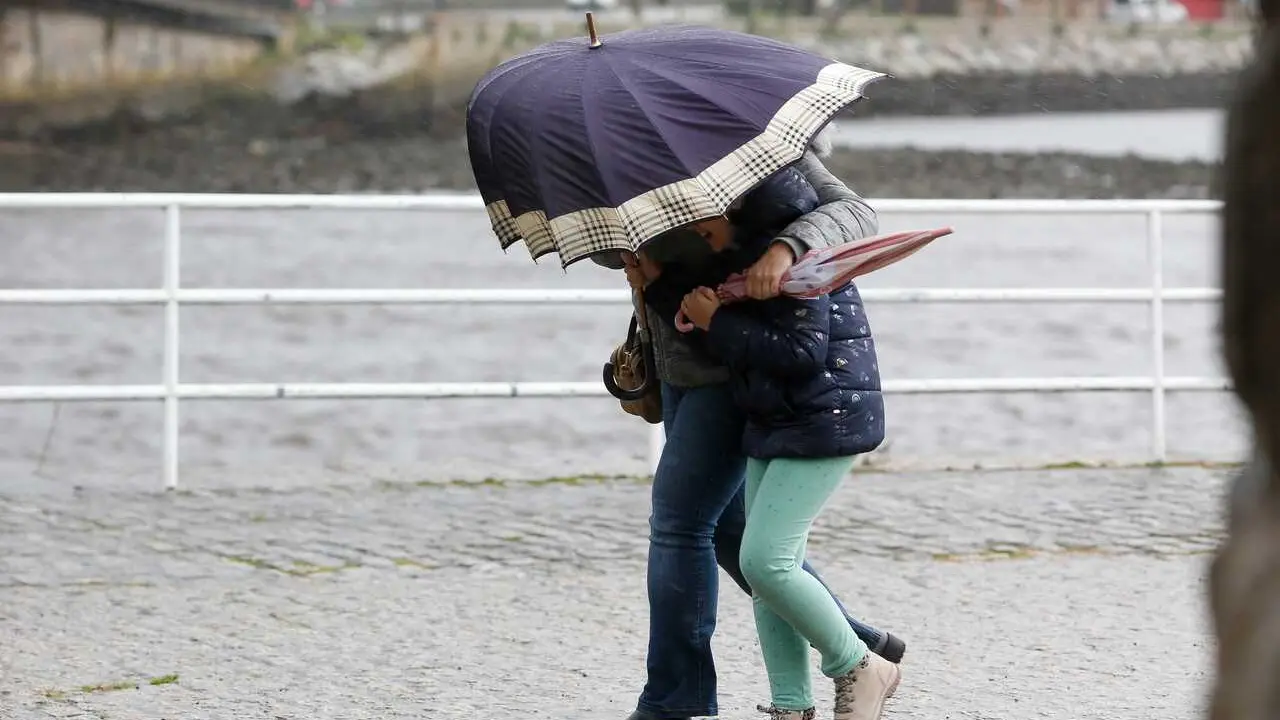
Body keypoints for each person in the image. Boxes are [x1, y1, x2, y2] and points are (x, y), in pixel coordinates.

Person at [595, 142, 907, 720]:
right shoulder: (627, 144)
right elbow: (607, 245)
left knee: (683, 525)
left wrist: (783, 248)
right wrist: (629, 252)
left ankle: (675, 699)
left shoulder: (757, 147)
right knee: (737, 536)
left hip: (738, 367)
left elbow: (851, 213)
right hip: (682, 357)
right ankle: (837, 656)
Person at [666, 176, 898, 720]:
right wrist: (664, 287)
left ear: (736, 207)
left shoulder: (791, 260)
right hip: (774, 419)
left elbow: (801, 352)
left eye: (702, 219)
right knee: (770, 570)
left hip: (825, 418)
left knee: (763, 561)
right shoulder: (743, 259)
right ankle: (791, 706)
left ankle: (860, 665)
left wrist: (717, 322)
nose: (694, 231)